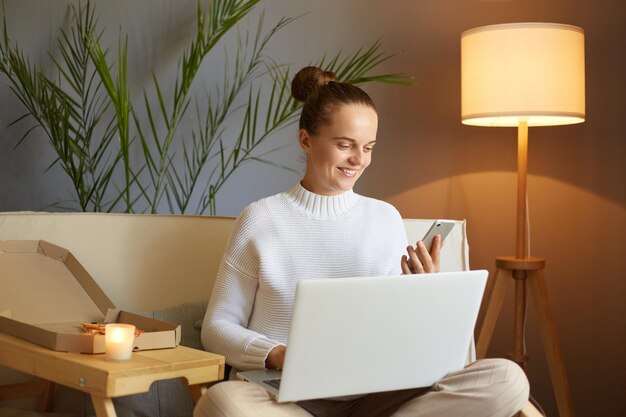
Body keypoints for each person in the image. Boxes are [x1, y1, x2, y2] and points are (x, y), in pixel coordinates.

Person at [194, 66, 529, 417]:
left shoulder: (384, 218)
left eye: (368, 147)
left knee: (508, 379)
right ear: (306, 140)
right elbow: (216, 328)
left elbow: (395, 333)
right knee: (221, 403)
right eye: (345, 145)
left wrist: (423, 294)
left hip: (376, 396)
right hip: (287, 398)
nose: (359, 159)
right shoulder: (262, 218)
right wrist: (279, 355)